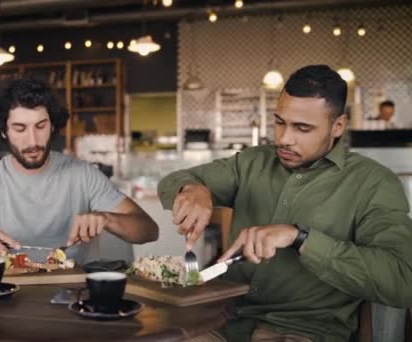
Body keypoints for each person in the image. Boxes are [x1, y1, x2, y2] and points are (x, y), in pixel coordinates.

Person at [158, 65, 412, 341]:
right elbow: (171, 182)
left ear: (338, 126)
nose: (283, 139)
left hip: (302, 331)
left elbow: (401, 280)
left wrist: (300, 237)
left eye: (302, 128)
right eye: (279, 122)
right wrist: (192, 189)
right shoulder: (251, 163)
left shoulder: (373, 183)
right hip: (224, 321)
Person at [0, 77, 158, 269]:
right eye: (19, 128)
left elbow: (149, 229)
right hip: (2, 301)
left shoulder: (83, 175)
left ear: (52, 125)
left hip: (71, 300)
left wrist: (107, 219)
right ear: (4, 131)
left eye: (41, 126)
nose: (33, 140)